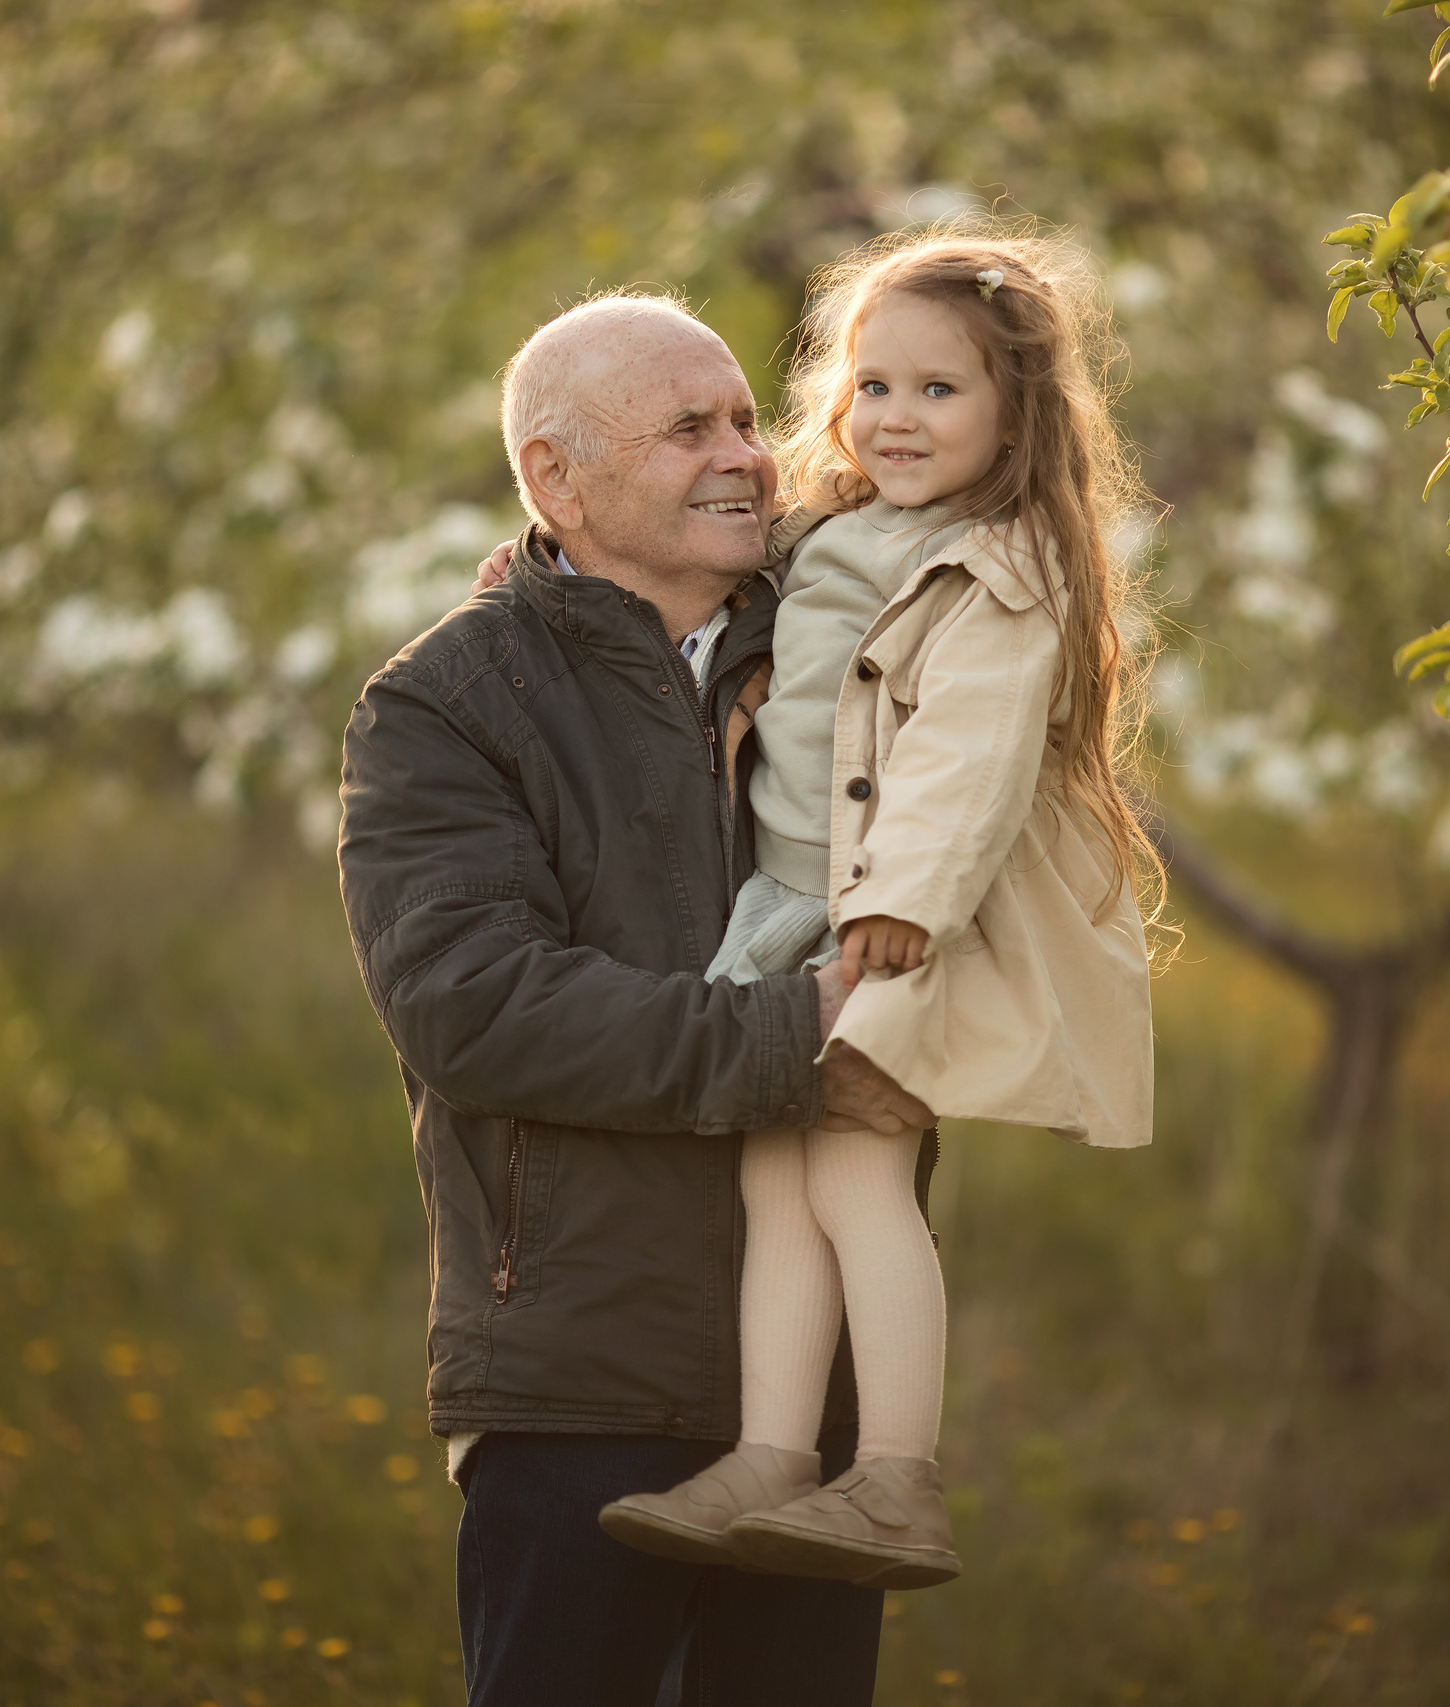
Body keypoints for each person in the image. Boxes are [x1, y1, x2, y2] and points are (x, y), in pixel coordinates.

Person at [335, 292, 934, 1707]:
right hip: (580, 1386)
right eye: (688, 429)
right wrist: (796, 1040)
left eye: (744, 419)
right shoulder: (448, 702)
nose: (745, 454)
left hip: (820, 1395)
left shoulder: (852, 652)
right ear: (557, 478)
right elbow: (480, 1008)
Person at [581, 231, 1160, 1589]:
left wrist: (902, 903)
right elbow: (695, 565)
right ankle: (773, 1456)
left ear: (1020, 411)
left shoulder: (1004, 570)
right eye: (874, 386)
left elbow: (967, 753)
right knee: (776, 1180)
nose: (896, 418)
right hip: (785, 905)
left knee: (855, 1173)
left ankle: (896, 1475)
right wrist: (546, 575)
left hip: (888, 919)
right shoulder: (836, 531)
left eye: (940, 392)